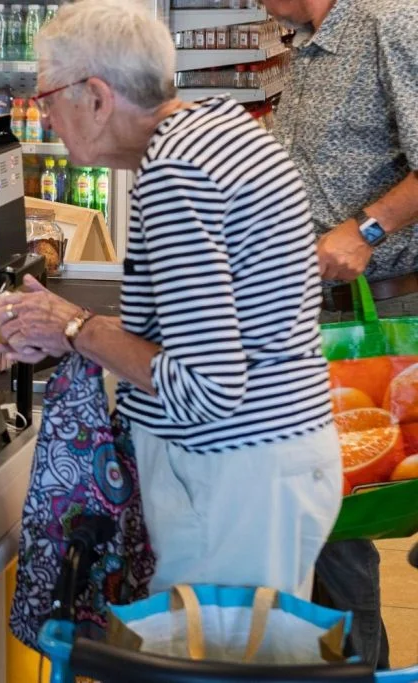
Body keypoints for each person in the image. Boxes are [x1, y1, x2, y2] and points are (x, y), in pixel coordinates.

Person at [0, 0, 341, 598]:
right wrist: (61, 333)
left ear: (96, 96)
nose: (45, 119)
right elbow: (204, 325)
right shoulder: (216, 131)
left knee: (215, 658)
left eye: (47, 98)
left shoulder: (177, 174)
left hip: (232, 477)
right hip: (270, 463)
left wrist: (75, 326)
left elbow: (205, 385)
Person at [259, 0, 418, 669]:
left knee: (353, 507)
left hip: (384, 324)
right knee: (327, 518)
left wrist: (368, 229)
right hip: (319, 320)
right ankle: (356, 667)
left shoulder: (391, 24)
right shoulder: (306, 45)